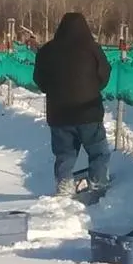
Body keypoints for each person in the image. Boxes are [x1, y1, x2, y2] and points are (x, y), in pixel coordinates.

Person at [32, 11, 112, 200]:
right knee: (98, 151)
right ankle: (98, 187)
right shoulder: (92, 48)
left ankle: (64, 189)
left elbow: (39, 79)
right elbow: (105, 73)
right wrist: (92, 89)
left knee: (64, 154)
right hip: (88, 111)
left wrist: (54, 92)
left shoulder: (47, 50)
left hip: (59, 114)